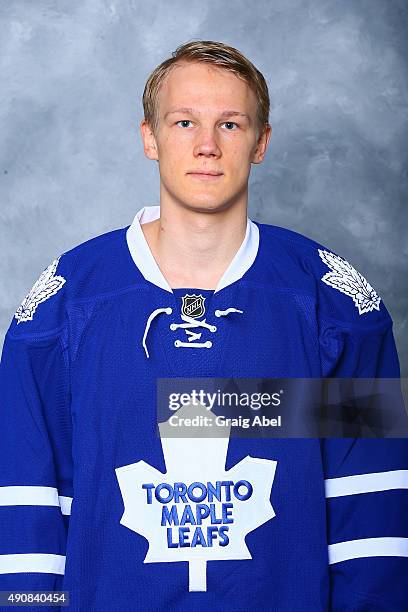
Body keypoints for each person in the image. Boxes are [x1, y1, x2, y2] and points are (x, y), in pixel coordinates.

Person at [0, 39, 407, 611]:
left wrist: (207, 404)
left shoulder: (336, 308)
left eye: (231, 125)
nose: (208, 146)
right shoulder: (60, 310)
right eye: (185, 121)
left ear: (261, 143)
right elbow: (25, 504)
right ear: (150, 137)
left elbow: (369, 501)